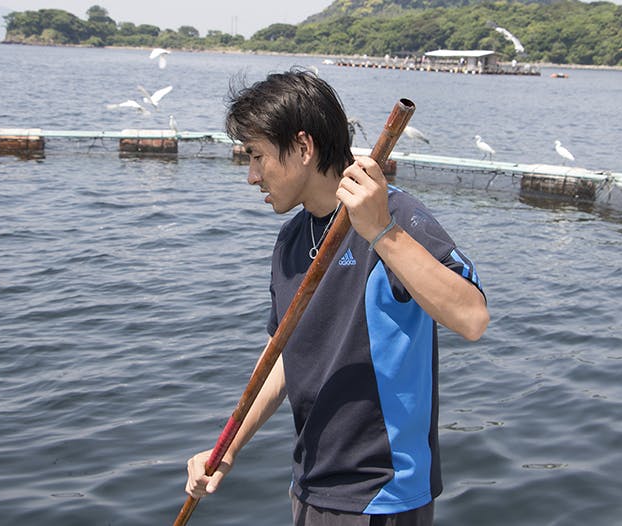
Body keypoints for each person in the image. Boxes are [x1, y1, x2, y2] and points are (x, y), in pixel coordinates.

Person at [185, 69, 489, 525]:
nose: (251, 176)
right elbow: (283, 354)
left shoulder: (394, 213)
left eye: (257, 156)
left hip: (382, 493)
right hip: (309, 485)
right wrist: (227, 447)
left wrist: (381, 231)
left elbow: (472, 318)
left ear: (303, 148)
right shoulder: (291, 239)